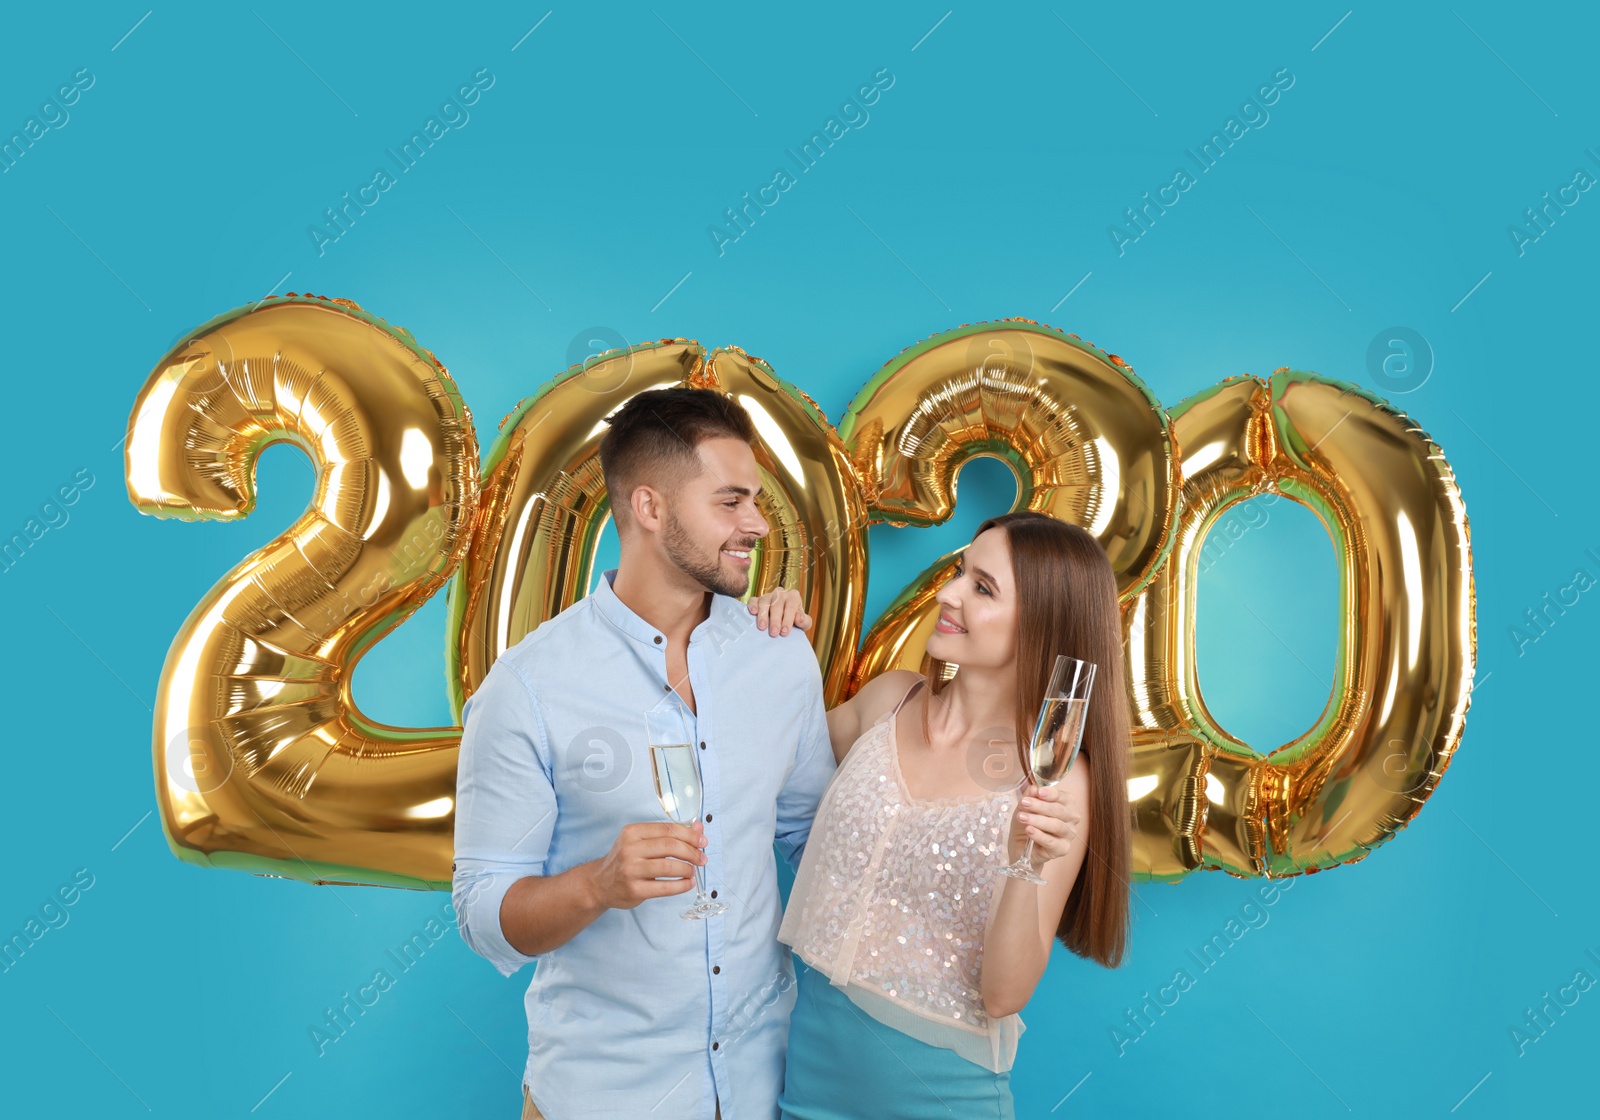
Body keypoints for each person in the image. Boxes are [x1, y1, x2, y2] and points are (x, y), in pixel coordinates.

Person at [451, 387, 837, 1120]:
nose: (756, 524)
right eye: (730, 502)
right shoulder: (529, 688)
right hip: (602, 1099)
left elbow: (813, 836)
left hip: (766, 1089)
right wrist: (596, 886)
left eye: (755, 500)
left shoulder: (779, 658)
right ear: (651, 508)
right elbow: (481, 912)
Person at [745, 511, 1133, 1119]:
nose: (948, 593)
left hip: (941, 1098)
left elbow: (1003, 995)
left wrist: (1022, 861)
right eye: (960, 572)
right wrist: (766, 640)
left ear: (1042, 625)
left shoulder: (1056, 778)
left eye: (982, 587)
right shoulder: (887, 701)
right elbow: (756, 765)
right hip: (804, 1087)